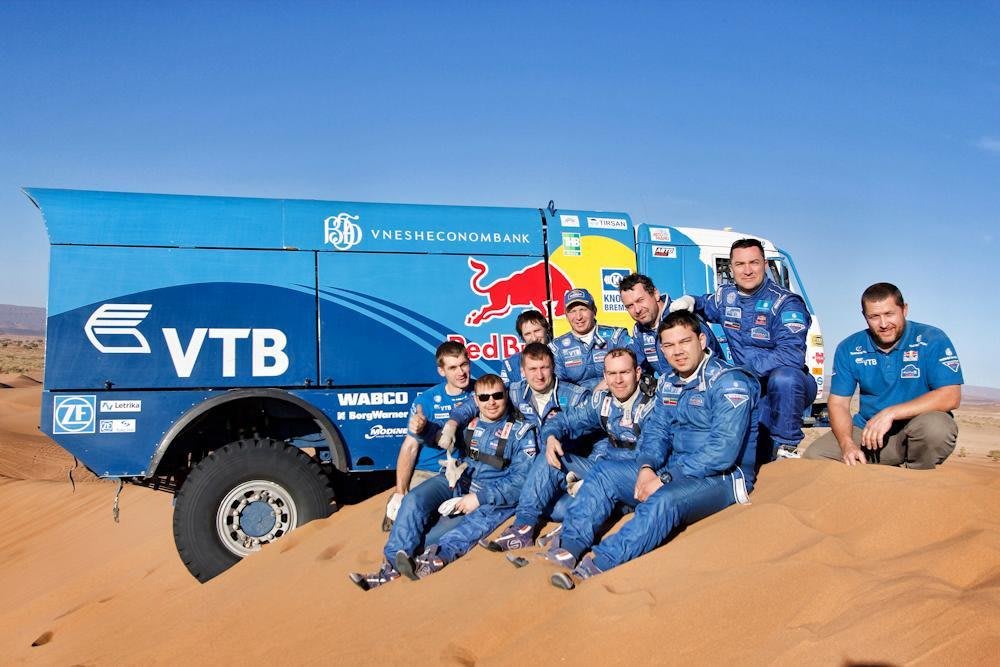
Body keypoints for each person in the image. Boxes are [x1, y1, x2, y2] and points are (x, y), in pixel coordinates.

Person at [547, 311, 760, 589]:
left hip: (723, 477)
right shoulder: (668, 382)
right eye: (668, 345)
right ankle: (570, 545)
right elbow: (657, 432)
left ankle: (600, 562)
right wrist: (647, 467)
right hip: (675, 467)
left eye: (684, 342)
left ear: (702, 340)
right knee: (605, 472)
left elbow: (722, 452)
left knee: (664, 499)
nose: (677, 351)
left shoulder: (729, 382)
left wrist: (666, 478)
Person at [349, 375, 538, 589]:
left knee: (438, 536)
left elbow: (520, 481)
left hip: (490, 495)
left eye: (497, 396)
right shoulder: (468, 422)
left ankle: (432, 559)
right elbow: (439, 437)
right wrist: (422, 429)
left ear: (506, 396)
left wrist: (478, 498)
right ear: (476, 401)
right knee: (413, 500)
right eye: (484, 397)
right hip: (457, 480)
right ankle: (391, 566)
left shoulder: (521, 432)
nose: (491, 402)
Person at [483, 347, 651, 551]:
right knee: (553, 489)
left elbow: (653, 452)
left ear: (637, 372)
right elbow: (564, 420)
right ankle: (523, 528)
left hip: (636, 476)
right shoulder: (602, 401)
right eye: (612, 374)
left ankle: (575, 528)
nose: (618, 380)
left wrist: (595, 479)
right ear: (605, 376)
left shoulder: (651, 404)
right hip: (602, 471)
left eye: (624, 372)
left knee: (598, 489)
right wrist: (551, 436)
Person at [670, 238, 816, 460]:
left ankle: (788, 448)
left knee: (785, 378)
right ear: (731, 268)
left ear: (765, 264)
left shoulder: (786, 302)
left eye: (754, 263)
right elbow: (705, 305)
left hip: (786, 387)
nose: (747, 270)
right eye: (740, 264)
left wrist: (743, 372)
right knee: (753, 452)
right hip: (752, 387)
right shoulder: (726, 297)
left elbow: (792, 355)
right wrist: (691, 301)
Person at [804, 282, 962, 468]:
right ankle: (866, 481)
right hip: (868, 433)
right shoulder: (849, 347)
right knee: (814, 457)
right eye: (874, 317)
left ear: (904, 310)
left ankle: (916, 478)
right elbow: (838, 403)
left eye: (889, 314)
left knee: (936, 428)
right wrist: (847, 444)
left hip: (915, 431)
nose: (884, 324)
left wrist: (891, 413)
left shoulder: (932, 338)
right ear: (865, 316)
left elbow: (951, 396)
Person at [382, 341, 474, 531]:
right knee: (411, 515)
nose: (461, 372)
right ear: (441, 371)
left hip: (468, 471)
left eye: (464, 364)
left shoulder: (482, 392)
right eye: (453, 368)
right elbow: (409, 447)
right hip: (429, 472)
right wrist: (400, 492)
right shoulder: (426, 400)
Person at [618, 272, 723, 378]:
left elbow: (712, 361)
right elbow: (635, 368)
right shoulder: (640, 330)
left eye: (640, 300)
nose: (637, 310)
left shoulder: (682, 315)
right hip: (670, 387)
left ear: (655, 294)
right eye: (630, 306)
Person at [550, 288, 632, 390]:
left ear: (594, 311)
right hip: (577, 399)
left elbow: (632, 370)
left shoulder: (616, 337)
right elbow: (559, 386)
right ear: (566, 316)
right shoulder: (557, 347)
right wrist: (585, 397)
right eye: (572, 311)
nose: (578, 317)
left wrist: (605, 386)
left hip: (616, 395)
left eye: (583, 309)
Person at [500, 310, 551, 385]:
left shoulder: (561, 355)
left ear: (547, 329)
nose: (534, 338)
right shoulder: (510, 364)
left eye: (537, 331)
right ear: (522, 337)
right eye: (528, 334)